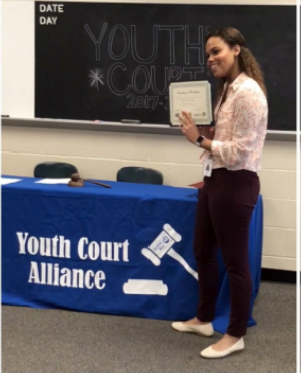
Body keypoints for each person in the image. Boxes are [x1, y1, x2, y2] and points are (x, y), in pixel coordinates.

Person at [171, 27, 268, 359]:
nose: (210, 59)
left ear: (236, 50)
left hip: (236, 182)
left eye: (217, 51)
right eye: (208, 55)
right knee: (202, 251)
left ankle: (235, 334)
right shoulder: (228, 89)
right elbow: (229, 137)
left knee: (235, 264)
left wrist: (199, 140)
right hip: (215, 180)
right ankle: (204, 318)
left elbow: (241, 151)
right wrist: (206, 134)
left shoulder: (248, 92)